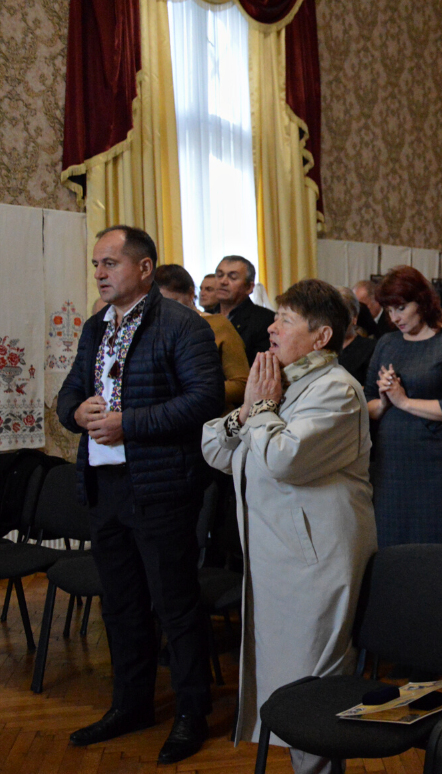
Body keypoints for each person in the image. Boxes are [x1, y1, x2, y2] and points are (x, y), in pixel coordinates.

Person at [57, 226, 224, 764]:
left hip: (160, 487)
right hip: (103, 485)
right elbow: (70, 390)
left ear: (145, 268)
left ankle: (191, 713)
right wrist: (75, 410)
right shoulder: (95, 327)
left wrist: (129, 423)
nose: (99, 274)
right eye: (96, 264)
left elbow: (204, 400)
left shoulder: (182, 325)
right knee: (122, 604)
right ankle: (131, 705)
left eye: (110, 263)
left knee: (175, 605)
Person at [201, 279, 376, 774]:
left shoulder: (338, 390)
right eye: (274, 317)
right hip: (277, 561)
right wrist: (249, 409)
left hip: (316, 564)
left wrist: (259, 409)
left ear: (321, 336)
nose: (271, 329)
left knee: (312, 691)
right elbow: (214, 449)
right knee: (285, 688)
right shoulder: (284, 384)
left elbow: (284, 459)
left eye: (285, 320)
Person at [365, 266, 442, 546]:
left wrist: (403, 401)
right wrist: (386, 401)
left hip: (437, 463)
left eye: (401, 308)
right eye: (389, 310)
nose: (395, 318)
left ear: (422, 301)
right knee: (392, 545)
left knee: (435, 547)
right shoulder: (387, 343)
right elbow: (368, 404)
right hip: (392, 463)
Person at [155, 264, 249, 413]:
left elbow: (241, 384)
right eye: (159, 305)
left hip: (210, 418)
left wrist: (194, 393)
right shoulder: (155, 328)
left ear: (191, 294)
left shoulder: (217, 325)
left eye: (173, 302)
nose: (168, 311)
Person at [215, 255, 274, 359]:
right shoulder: (205, 316)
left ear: (249, 287)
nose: (223, 281)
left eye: (233, 277)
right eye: (219, 275)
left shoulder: (264, 320)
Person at [335, 286, 377, 388]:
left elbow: (371, 390)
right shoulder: (319, 347)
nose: (334, 321)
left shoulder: (371, 349)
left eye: (339, 315)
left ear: (354, 316)